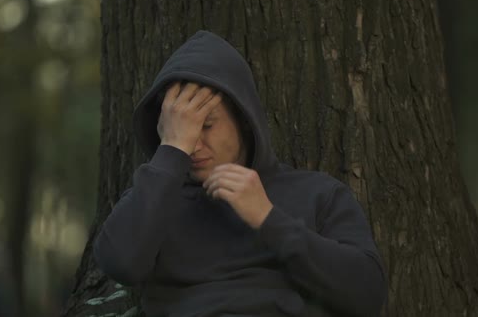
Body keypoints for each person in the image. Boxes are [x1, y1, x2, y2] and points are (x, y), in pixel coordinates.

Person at [93, 30, 387, 316]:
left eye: (206, 125)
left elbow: (367, 295)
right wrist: (171, 151)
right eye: (180, 130)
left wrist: (269, 220)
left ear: (244, 120)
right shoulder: (154, 201)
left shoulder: (318, 193)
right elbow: (120, 263)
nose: (192, 144)